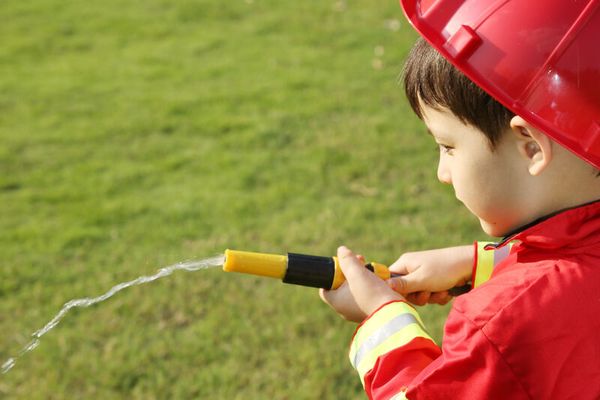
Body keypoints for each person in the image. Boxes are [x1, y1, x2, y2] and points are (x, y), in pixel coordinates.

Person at [320, 0, 600, 399]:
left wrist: (381, 318)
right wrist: (481, 262)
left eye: (448, 147)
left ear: (531, 148)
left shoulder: (497, 326)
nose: (442, 172)